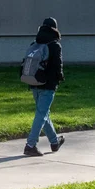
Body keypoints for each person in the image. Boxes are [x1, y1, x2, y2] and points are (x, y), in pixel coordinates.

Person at [23, 17, 65, 156]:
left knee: (44, 113)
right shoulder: (54, 45)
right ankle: (30, 145)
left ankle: (54, 142)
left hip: (34, 83)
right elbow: (57, 67)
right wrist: (59, 79)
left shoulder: (35, 43)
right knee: (41, 114)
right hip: (47, 86)